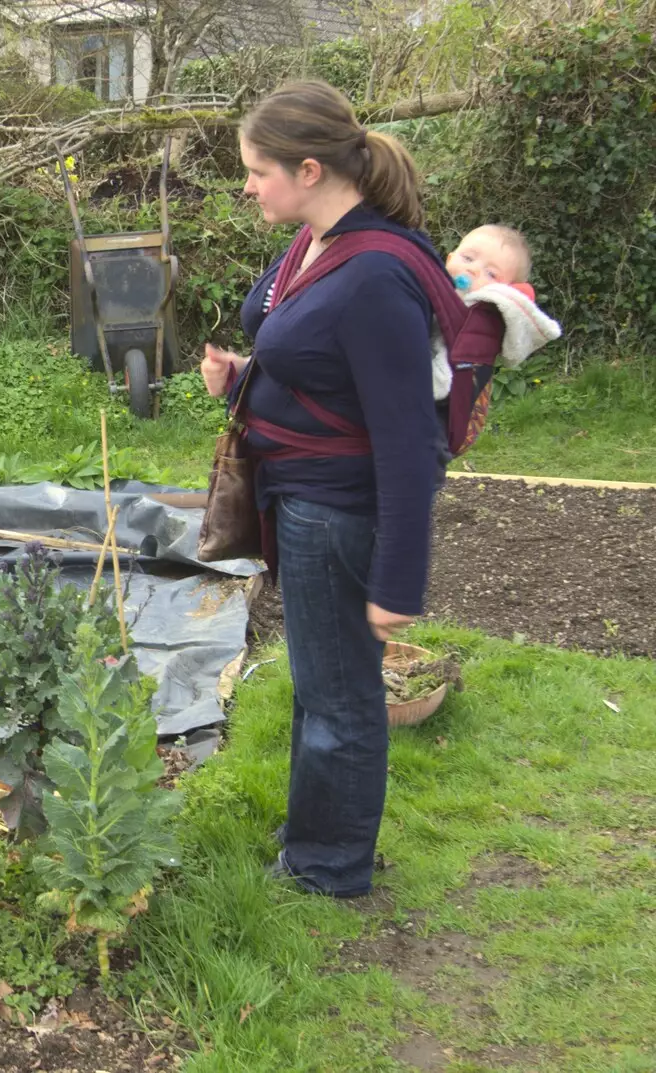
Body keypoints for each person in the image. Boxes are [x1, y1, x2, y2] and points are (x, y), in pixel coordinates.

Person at [199, 81, 442, 899]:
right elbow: (311, 356)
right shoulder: (313, 242)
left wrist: (398, 581)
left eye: (256, 170)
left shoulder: (375, 274)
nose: (246, 186)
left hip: (340, 511)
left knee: (341, 697)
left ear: (309, 169)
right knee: (320, 680)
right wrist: (242, 377)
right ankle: (315, 831)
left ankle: (328, 867)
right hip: (298, 498)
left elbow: (411, 438)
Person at [432, 225, 560, 400]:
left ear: (506, 290)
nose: (473, 270)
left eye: (491, 274)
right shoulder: (431, 283)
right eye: (468, 258)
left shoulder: (483, 314)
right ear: (449, 259)